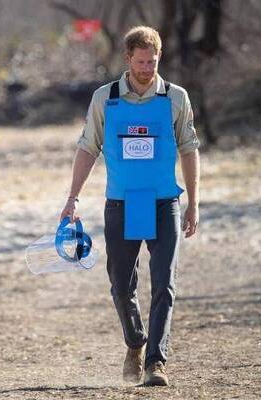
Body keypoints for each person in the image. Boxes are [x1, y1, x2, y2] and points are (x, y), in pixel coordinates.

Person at [59, 26, 200, 386]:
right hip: (122, 203)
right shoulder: (105, 99)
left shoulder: (176, 97)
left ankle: (156, 362)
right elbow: (88, 148)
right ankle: (136, 342)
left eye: (152, 62)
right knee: (121, 286)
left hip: (164, 201)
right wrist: (72, 198)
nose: (147, 68)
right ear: (127, 59)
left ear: (159, 57)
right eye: (140, 62)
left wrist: (193, 203)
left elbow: (189, 148)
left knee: (165, 282)